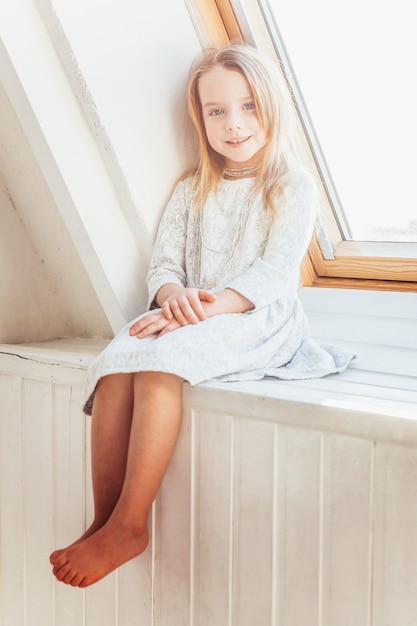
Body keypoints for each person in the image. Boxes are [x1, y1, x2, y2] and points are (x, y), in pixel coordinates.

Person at [50, 43, 354, 588]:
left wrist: (204, 307)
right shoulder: (193, 189)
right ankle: (105, 519)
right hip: (189, 313)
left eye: (248, 107)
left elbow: (276, 273)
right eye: (217, 111)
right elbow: (165, 264)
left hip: (256, 318)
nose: (233, 124)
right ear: (201, 119)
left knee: (161, 363)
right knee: (119, 360)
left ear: (271, 109)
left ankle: (131, 523)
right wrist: (172, 297)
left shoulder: (292, 186)